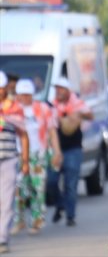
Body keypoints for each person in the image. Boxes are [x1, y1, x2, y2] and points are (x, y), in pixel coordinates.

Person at [11, 79, 62, 236]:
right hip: (18, 154)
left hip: (38, 154)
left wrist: (57, 151)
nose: (25, 98)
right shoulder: (11, 110)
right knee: (18, 189)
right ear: (17, 95)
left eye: (28, 95)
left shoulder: (43, 109)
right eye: (22, 95)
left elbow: (52, 131)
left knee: (38, 189)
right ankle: (19, 221)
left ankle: (37, 221)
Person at [47, 77, 92, 227]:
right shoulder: (52, 106)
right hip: (55, 150)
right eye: (57, 88)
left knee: (70, 185)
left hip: (73, 150)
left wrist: (78, 115)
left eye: (61, 88)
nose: (58, 91)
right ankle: (60, 204)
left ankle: (70, 216)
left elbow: (90, 115)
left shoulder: (77, 104)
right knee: (51, 181)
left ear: (68, 91)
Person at [0, 71, 29, 254]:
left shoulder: (15, 108)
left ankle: (2, 238)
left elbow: (23, 135)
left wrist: (25, 160)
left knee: (6, 200)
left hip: (9, 159)